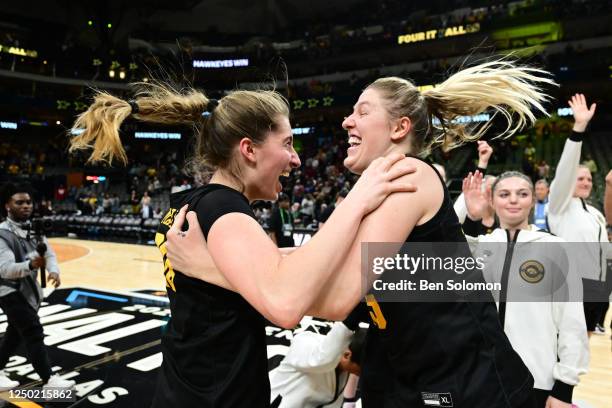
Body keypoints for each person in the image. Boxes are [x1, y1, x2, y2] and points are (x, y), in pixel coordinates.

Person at [166, 60, 556, 407]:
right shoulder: (374, 191)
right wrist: (254, 270)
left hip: (465, 381)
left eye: (362, 111)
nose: (346, 121)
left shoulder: (410, 174)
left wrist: (212, 271)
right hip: (408, 371)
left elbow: (335, 298)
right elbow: (312, 270)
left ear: (399, 127)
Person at [68, 84, 417, 407]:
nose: (295, 159)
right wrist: (358, 199)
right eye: (287, 144)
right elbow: (286, 304)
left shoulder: (193, 202)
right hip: (219, 395)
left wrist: (208, 269)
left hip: (187, 383)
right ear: (249, 150)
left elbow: (275, 267)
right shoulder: (226, 210)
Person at [462, 170, 589, 408]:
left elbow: (572, 322)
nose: (513, 200)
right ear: (492, 200)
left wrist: (565, 388)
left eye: (522, 194)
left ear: (532, 200)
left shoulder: (557, 249)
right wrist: (472, 216)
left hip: (535, 380)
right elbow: (449, 251)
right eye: (504, 194)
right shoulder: (482, 247)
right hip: (481, 378)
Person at [0, 183, 76, 391]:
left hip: (26, 291)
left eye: (28, 202)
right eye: (19, 202)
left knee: (15, 334)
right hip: (7, 291)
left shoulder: (35, 228)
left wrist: (54, 270)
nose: (26, 206)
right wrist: (31, 265)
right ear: (8, 206)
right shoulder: (2, 235)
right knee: (33, 329)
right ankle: (49, 380)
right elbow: (5, 270)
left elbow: (48, 252)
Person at [546, 93, 610, 337]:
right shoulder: (560, 204)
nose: (586, 182)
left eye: (589, 179)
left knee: (585, 348)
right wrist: (579, 128)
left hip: (596, 287)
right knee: (564, 345)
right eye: (580, 178)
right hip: (570, 286)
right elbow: (565, 170)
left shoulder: (595, 214)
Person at [269, 320, 366, 408]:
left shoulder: (344, 369)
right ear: (347, 355)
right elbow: (322, 359)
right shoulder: (308, 345)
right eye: (362, 368)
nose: (363, 373)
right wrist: (349, 322)